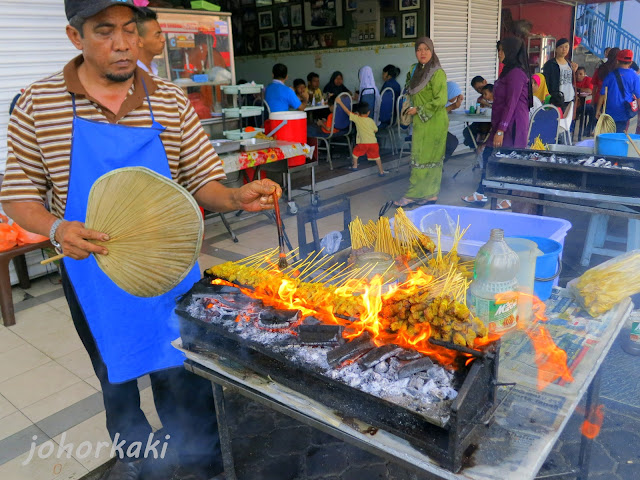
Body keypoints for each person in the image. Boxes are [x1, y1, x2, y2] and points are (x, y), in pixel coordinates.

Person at [0, 2, 283, 480]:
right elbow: (17, 193)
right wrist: (55, 229)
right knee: (116, 377)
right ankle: (139, 462)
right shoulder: (37, 103)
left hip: (170, 267)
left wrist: (235, 196)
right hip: (93, 271)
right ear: (76, 37)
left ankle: (200, 462)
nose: (122, 43)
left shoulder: (169, 101)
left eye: (130, 31)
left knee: (183, 373)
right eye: (105, 31)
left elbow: (200, 180)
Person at [462, 37, 532, 211]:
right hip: (504, 122)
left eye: (502, 50)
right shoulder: (507, 71)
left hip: (512, 124)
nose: (499, 53)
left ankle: (507, 196)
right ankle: (484, 192)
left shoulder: (516, 73)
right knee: (491, 156)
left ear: (511, 51)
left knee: (507, 159)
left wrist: (501, 129)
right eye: (498, 50)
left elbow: (512, 103)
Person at [394, 37, 448, 207]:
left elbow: (441, 99)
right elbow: (409, 90)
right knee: (420, 156)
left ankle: (415, 194)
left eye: (426, 49)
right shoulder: (414, 70)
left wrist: (419, 109)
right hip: (420, 121)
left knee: (430, 158)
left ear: (432, 51)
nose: (422, 53)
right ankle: (428, 194)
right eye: (419, 49)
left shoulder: (437, 72)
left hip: (434, 121)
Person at [335, 98, 388, 176]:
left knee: (355, 153)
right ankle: (381, 171)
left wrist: (340, 102)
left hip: (363, 143)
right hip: (373, 143)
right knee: (377, 157)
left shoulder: (357, 119)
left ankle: (355, 166)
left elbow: (347, 112)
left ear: (358, 112)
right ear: (368, 112)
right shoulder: (371, 121)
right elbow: (376, 130)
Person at [596, 49, 640, 133]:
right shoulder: (634, 76)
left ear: (617, 61)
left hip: (610, 112)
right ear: (631, 62)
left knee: (609, 134)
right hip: (625, 112)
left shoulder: (610, 76)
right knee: (620, 136)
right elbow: (638, 96)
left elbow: (602, 94)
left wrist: (598, 110)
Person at [543, 38, 578, 109]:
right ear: (556, 49)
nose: (564, 49)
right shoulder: (550, 64)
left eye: (566, 47)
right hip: (557, 99)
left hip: (570, 97)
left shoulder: (569, 63)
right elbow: (546, 82)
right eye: (561, 47)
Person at [135, 7, 164, 76]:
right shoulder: (131, 74)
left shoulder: (154, 67)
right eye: (157, 35)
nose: (163, 39)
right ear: (139, 41)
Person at [445, 81, 464, 158]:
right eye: (455, 95)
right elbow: (438, 114)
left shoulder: (446, 101)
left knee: (452, 141)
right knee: (451, 142)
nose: (457, 98)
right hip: (427, 130)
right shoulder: (439, 101)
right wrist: (453, 106)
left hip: (437, 130)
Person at [574, 66, 595, 135]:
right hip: (575, 104)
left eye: (580, 74)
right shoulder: (573, 80)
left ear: (584, 74)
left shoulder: (588, 80)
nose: (578, 76)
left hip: (587, 103)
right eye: (576, 74)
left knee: (594, 111)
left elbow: (590, 90)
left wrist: (578, 89)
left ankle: (588, 130)